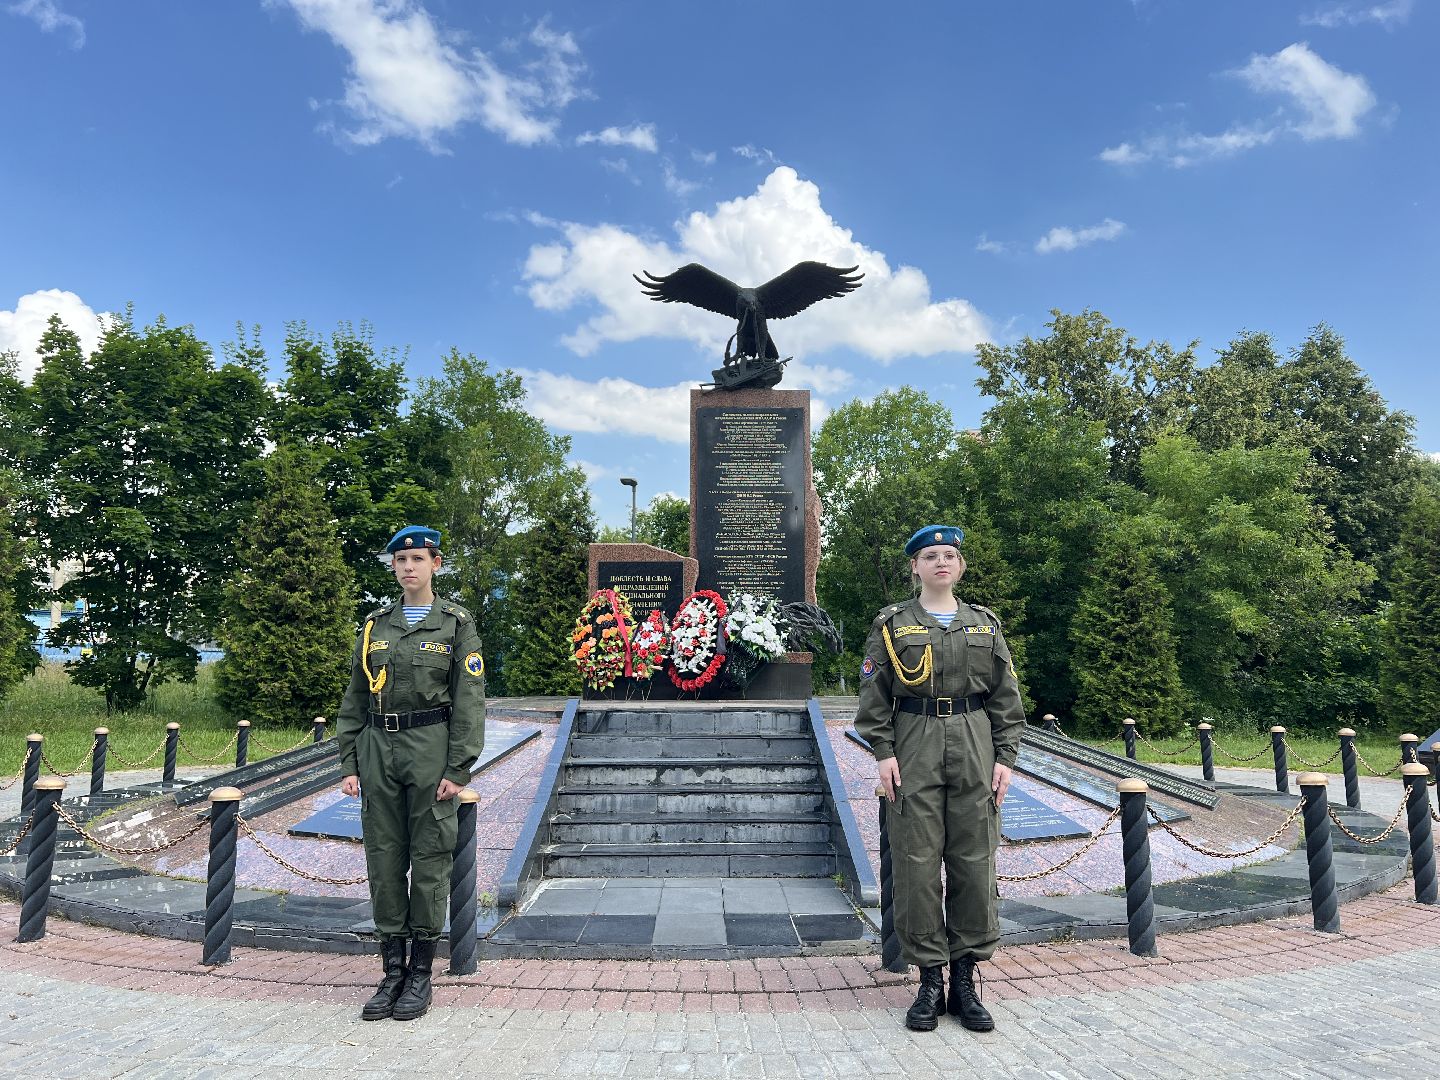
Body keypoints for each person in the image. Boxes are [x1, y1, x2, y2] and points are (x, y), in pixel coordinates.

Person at [854, 525, 1025, 1033]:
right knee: (916, 862)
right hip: (915, 741)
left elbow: (1005, 697)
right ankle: (930, 979)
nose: (941, 562)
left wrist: (1006, 756)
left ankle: (965, 980)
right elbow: (874, 695)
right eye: (930, 556)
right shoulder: (892, 625)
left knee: (974, 859)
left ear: (961, 565)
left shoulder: (984, 624)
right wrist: (882, 753)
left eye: (949, 554)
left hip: (974, 740)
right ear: (915, 567)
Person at [336, 525, 486, 1022]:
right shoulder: (375, 626)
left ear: (436, 564)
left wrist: (458, 767)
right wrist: (349, 761)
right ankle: (391, 971)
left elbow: (469, 701)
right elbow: (356, 697)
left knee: (428, 860)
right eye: (400, 561)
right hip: (378, 748)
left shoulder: (455, 625)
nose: (408, 567)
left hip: (429, 747)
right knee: (383, 859)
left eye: (417, 559)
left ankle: (420, 972)